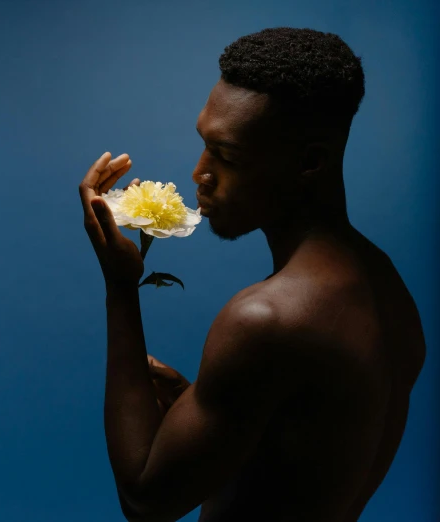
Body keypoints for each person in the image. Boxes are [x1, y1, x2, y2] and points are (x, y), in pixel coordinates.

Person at [78, 27, 426, 522]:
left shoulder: (266, 320)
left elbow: (144, 500)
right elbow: (302, 457)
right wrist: (198, 401)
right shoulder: (388, 287)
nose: (200, 172)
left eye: (229, 156)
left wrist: (119, 286)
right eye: (205, 145)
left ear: (310, 162)